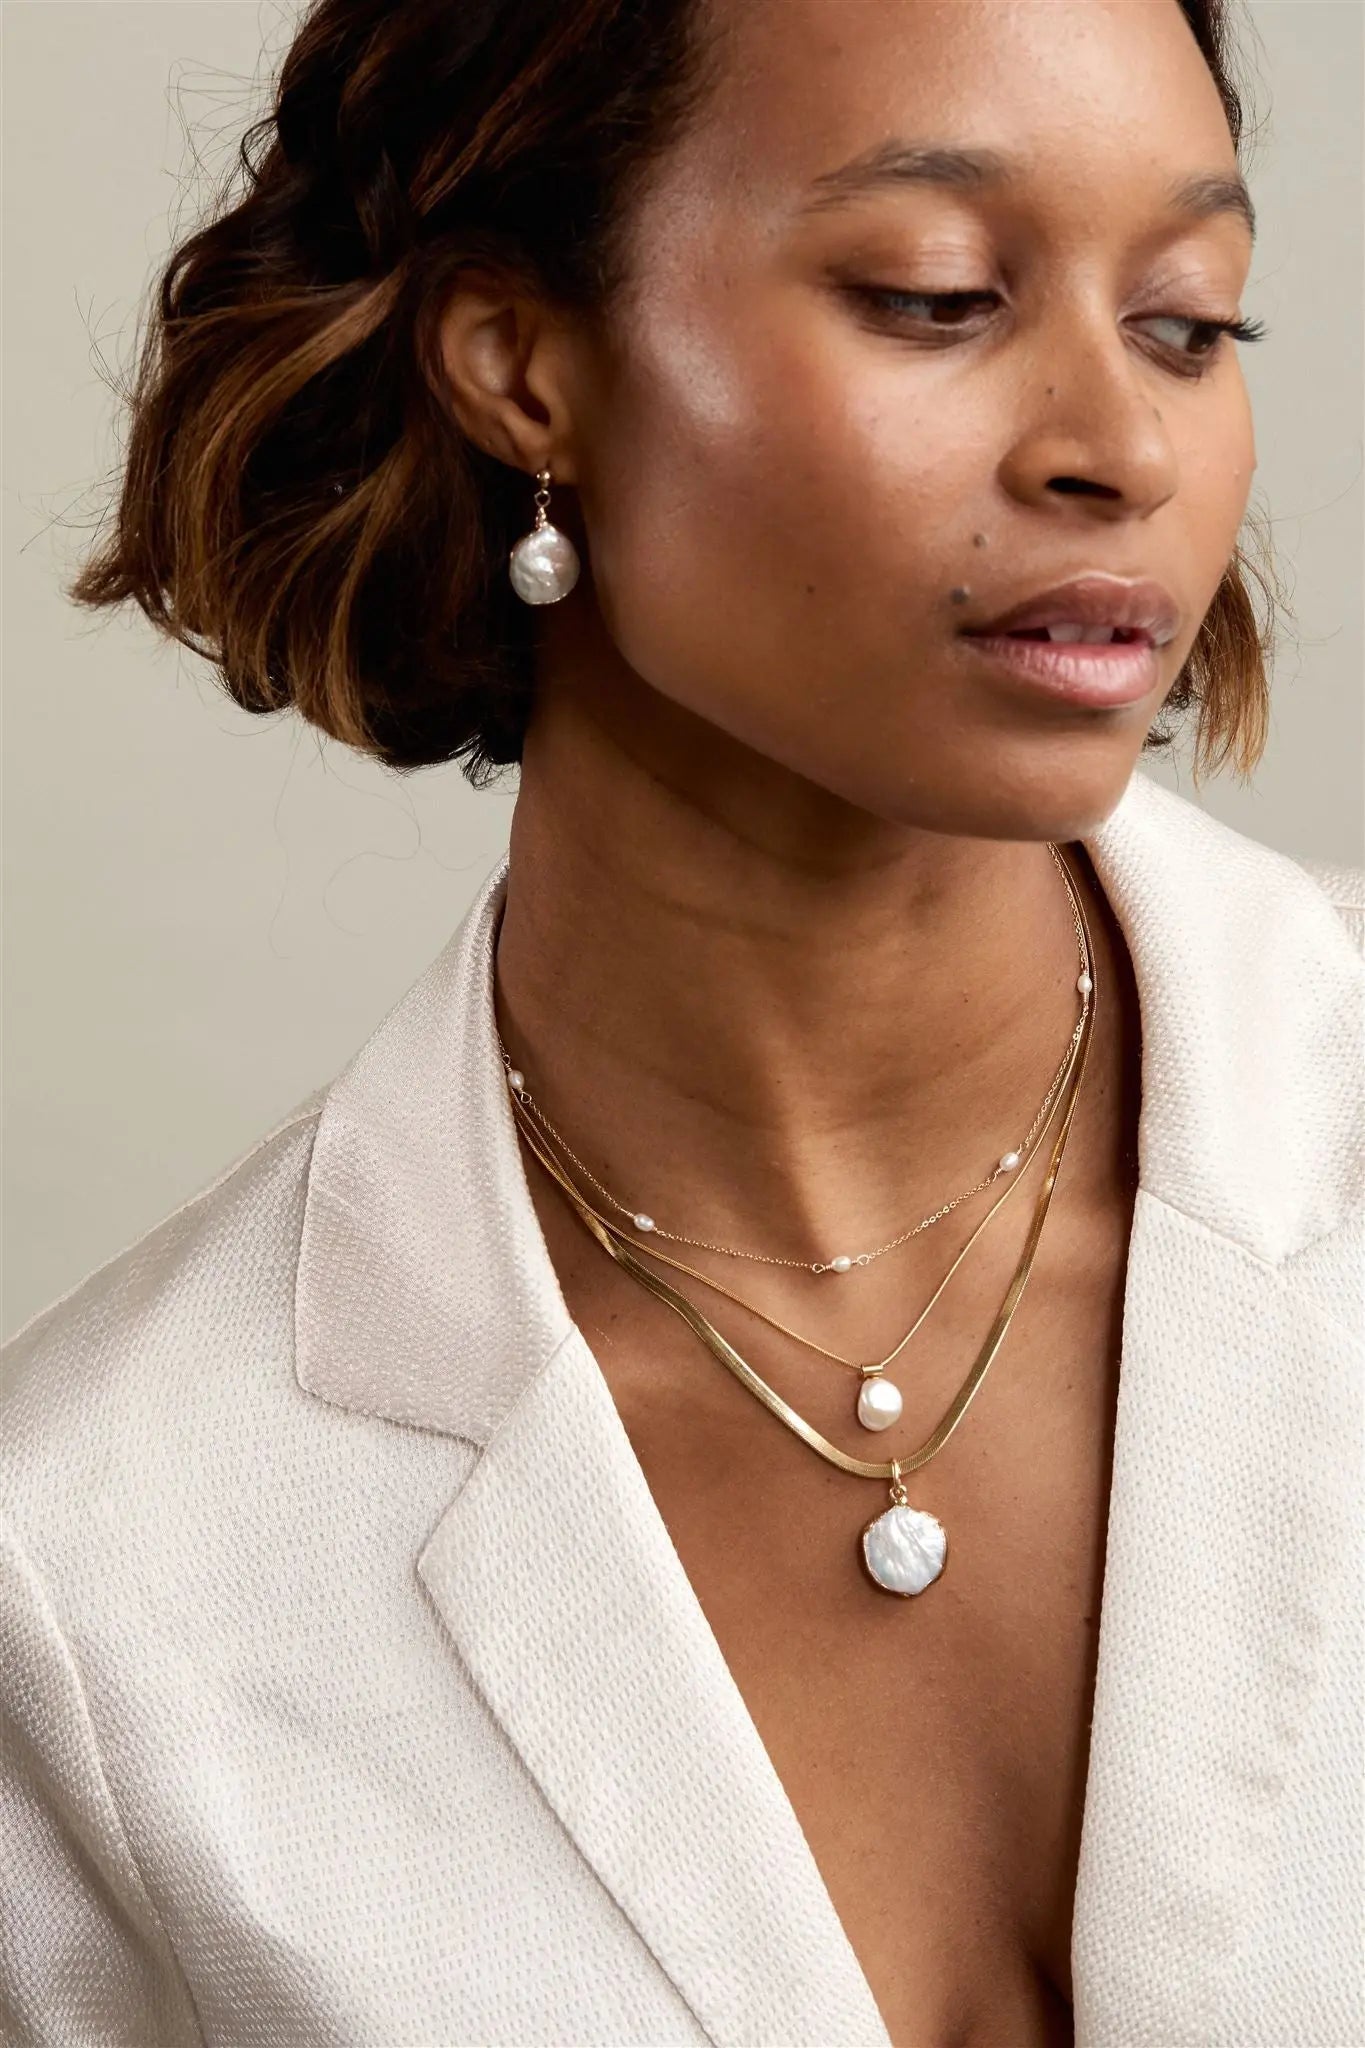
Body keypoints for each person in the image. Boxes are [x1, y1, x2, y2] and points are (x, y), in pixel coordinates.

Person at [2, 0, 1361, 2042]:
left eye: (1184, 322)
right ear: (521, 364)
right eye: (938, 297)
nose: (1124, 447)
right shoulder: (99, 1569)